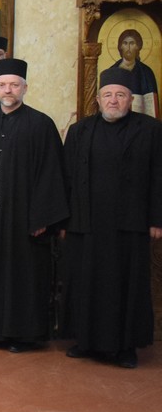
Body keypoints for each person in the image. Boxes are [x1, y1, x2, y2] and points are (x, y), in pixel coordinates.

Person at [0, 59, 68, 352]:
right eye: (3, 85)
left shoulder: (41, 125)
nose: (8, 90)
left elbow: (51, 174)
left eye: (14, 85)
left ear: (25, 88)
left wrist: (42, 218)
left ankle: (21, 335)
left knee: (22, 276)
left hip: (24, 220)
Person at [60, 68, 162, 369]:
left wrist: (157, 218)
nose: (113, 100)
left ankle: (125, 347)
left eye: (120, 95)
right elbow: (66, 178)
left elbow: (159, 176)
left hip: (129, 224)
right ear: (98, 98)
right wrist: (63, 221)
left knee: (126, 285)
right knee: (86, 283)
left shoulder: (151, 130)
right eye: (108, 95)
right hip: (86, 223)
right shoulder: (80, 131)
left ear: (131, 99)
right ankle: (85, 341)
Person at [107, 28, 159, 118]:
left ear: (138, 47)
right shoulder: (111, 72)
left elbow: (152, 104)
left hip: (141, 120)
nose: (128, 47)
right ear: (120, 47)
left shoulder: (147, 72)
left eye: (132, 43)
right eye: (125, 43)